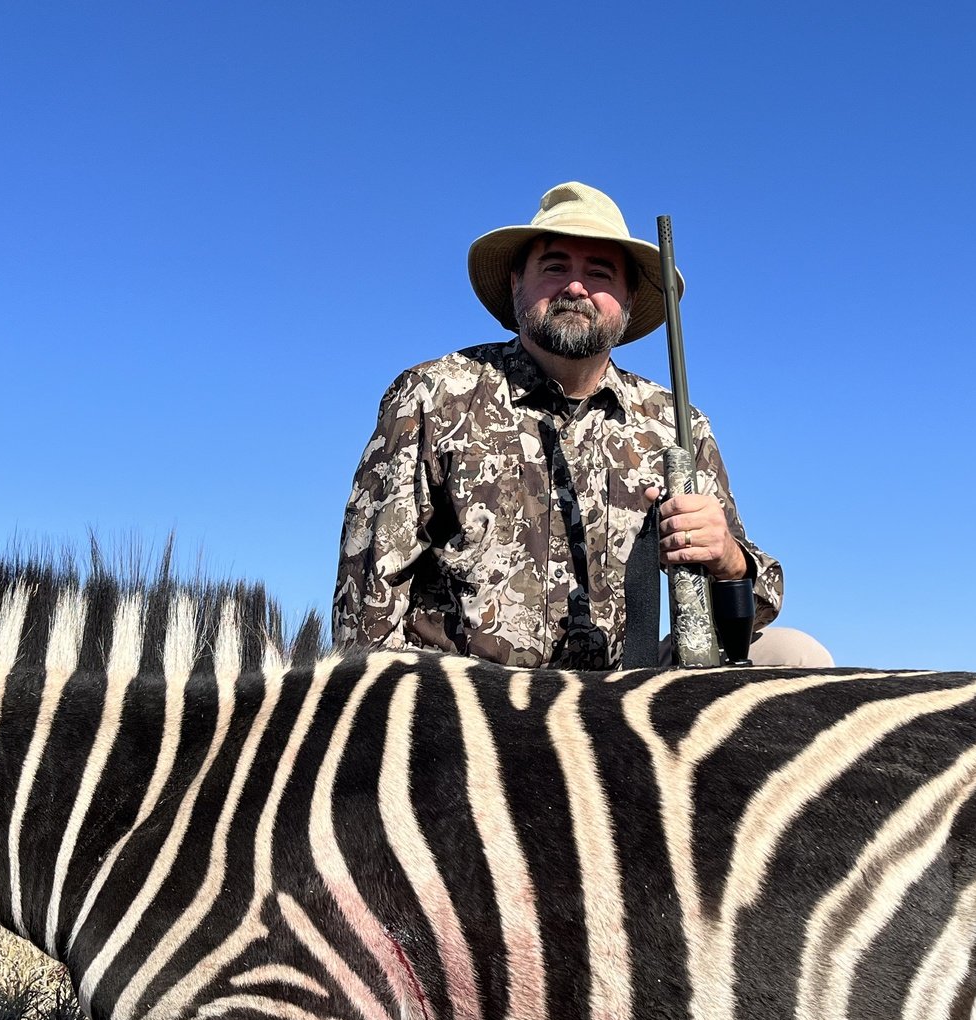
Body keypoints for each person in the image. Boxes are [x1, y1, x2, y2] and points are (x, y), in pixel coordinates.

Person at [334, 180, 832, 670]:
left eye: (600, 272)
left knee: (795, 656)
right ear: (516, 283)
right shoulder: (431, 395)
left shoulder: (678, 426)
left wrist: (728, 558)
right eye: (555, 267)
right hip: (473, 705)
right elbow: (367, 599)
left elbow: (762, 596)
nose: (576, 287)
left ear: (629, 298)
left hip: (622, 697)